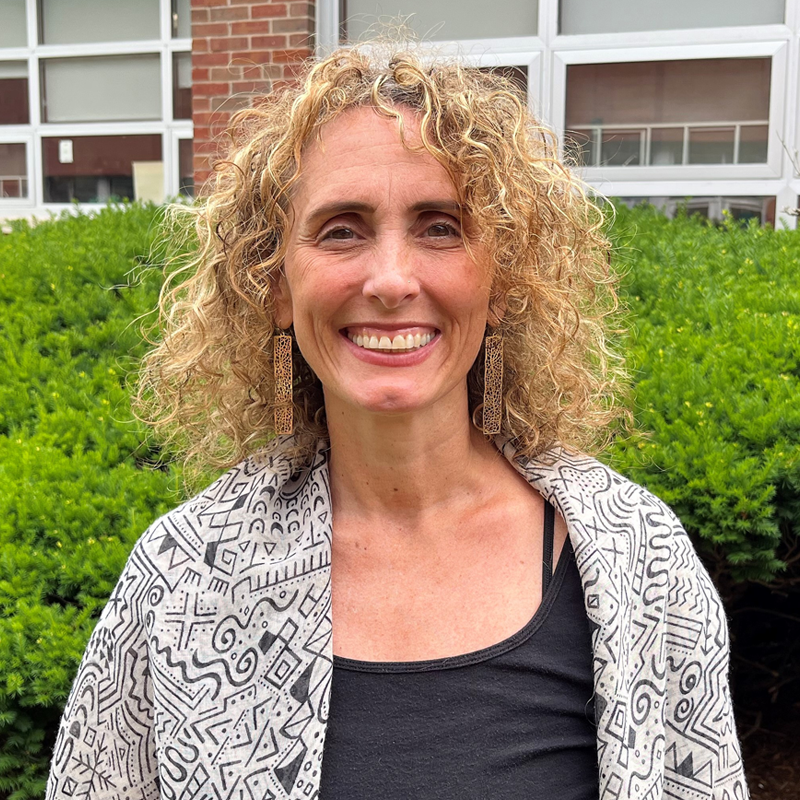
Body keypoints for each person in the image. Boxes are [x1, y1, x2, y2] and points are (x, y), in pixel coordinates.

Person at [46, 44, 747, 800]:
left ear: (503, 279)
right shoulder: (181, 577)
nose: (390, 279)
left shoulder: (638, 562)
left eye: (440, 227)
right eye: (341, 229)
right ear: (274, 284)